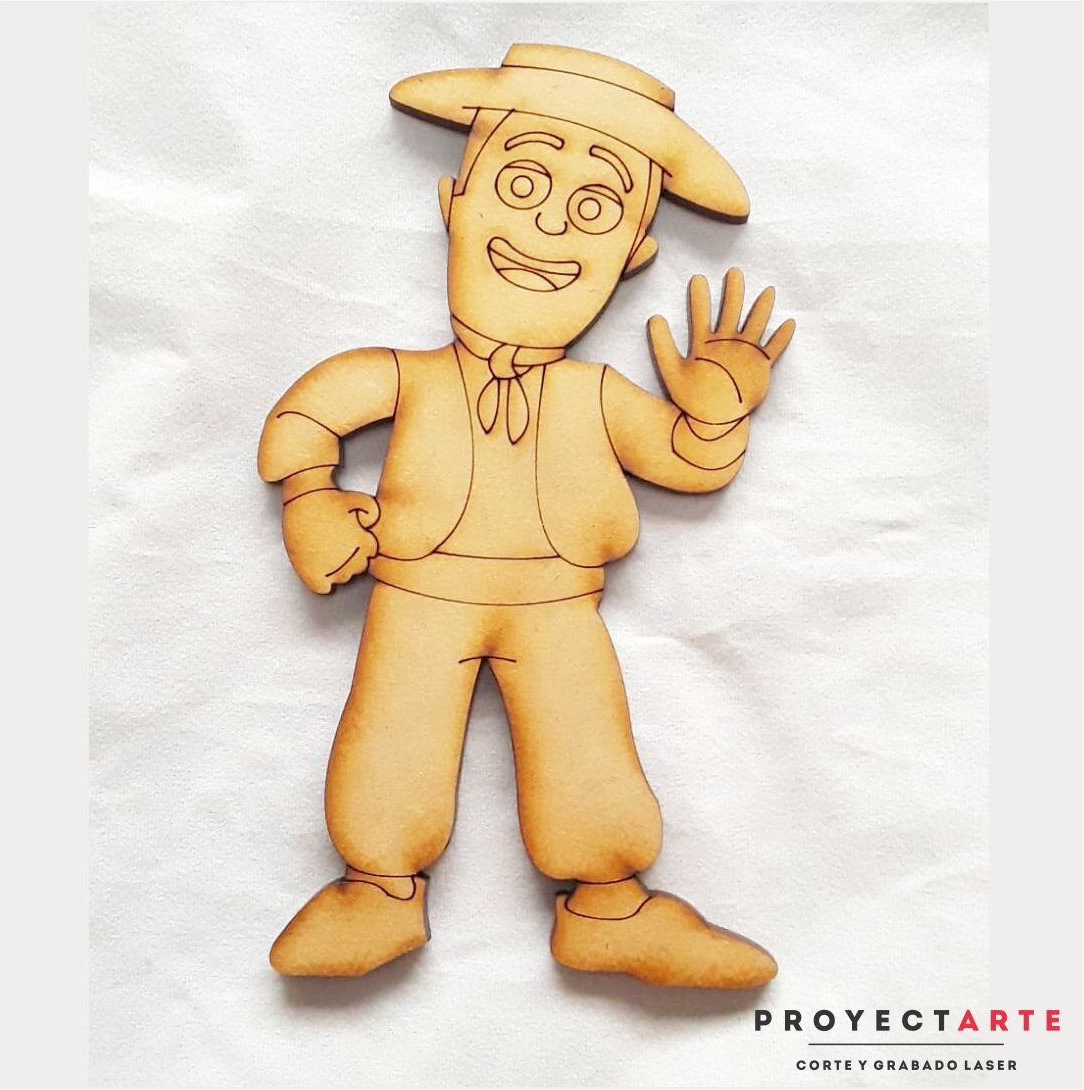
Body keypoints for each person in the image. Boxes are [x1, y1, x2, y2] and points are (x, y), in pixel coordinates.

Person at [258, 44, 795, 988]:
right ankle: (377, 889)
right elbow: (308, 415)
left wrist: (716, 413)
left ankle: (608, 908)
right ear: (455, 200)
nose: (548, 224)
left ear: (633, 253)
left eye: (594, 208)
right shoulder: (406, 376)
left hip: (557, 607)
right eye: (522, 182)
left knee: (586, 747)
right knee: (395, 739)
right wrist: (310, 497)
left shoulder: (596, 395)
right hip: (416, 597)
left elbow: (684, 459)